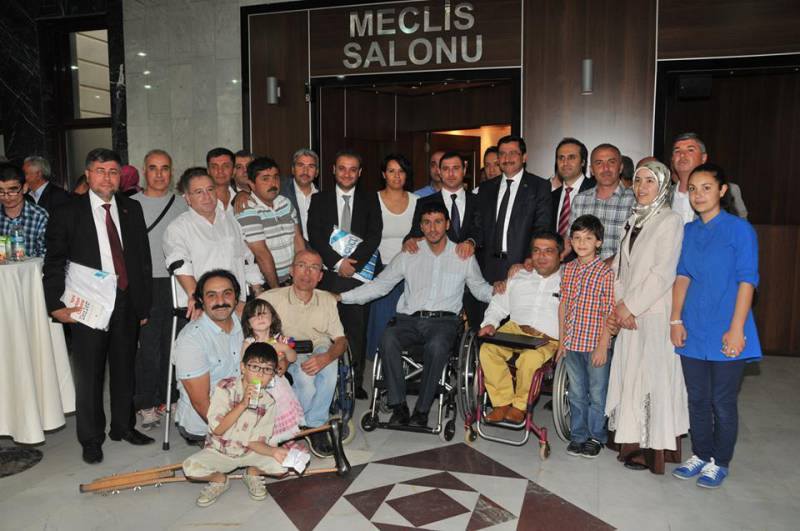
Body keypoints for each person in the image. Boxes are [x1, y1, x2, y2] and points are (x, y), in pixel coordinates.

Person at [43, 148, 154, 464]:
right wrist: (55, 305)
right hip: (87, 303)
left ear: (120, 177)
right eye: (101, 171)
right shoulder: (67, 211)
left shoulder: (131, 208)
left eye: (113, 172)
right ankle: (91, 439)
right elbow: (54, 262)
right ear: (88, 174)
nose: (107, 178)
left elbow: (142, 259)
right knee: (89, 374)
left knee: (124, 368)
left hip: (125, 300)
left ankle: (124, 427)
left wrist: (143, 306)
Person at [338, 203, 494, 428]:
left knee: (437, 346)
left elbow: (480, 289)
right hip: (408, 320)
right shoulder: (409, 254)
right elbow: (380, 285)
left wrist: (504, 292)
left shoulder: (463, 255)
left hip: (444, 322)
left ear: (447, 224)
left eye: (438, 222)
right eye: (427, 223)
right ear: (420, 226)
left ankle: (422, 410)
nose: (432, 228)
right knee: (387, 338)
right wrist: (342, 297)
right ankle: (398, 406)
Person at [670, 163, 761, 489]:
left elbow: (747, 281)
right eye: (693, 189)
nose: (698, 195)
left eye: (706, 187)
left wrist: (737, 328)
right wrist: (676, 319)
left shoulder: (740, 230)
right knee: (697, 398)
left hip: (728, 326)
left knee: (721, 402)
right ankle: (700, 453)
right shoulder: (689, 231)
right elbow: (682, 276)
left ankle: (719, 461)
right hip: (693, 326)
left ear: (722, 191)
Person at [604, 161, 689, 474]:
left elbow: (663, 273)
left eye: (650, 181)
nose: (641, 187)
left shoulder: (670, 220)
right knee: (630, 374)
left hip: (653, 312)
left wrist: (630, 306)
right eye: (638, 180)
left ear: (663, 186)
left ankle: (653, 449)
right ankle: (630, 440)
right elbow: (619, 268)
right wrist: (620, 304)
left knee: (652, 378)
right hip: (628, 311)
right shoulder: (633, 219)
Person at [307, 149, 382, 398]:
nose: (347, 174)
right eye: (342, 168)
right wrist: (339, 263)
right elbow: (315, 235)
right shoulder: (319, 200)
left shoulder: (370, 199)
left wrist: (353, 265)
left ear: (360, 173)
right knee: (326, 330)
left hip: (359, 277)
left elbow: (374, 236)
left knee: (356, 330)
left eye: (352, 169)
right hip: (329, 275)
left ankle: (355, 381)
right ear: (333, 170)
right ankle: (328, 379)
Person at [258, 249, 348, 455]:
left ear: (320, 276)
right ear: (291, 270)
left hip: (319, 346)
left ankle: (315, 424)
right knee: (306, 381)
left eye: (314, 268)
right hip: (286, 350)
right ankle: (297, 423)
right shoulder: (271, 299)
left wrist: (326, 357)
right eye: (301, 265)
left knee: (330, 365)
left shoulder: (327, 300)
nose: (307, 272)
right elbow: (250, 322)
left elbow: (341, 340)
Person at [182, 342, 287, 508]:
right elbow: (218, 429)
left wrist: (274, 451)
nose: (260, 374)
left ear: (273, 375)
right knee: (189, 468)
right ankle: (219, 480)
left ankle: (252, 472)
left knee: (283, 465)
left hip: (249, 453)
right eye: (255, 367)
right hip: (220, 452)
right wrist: (243, 404)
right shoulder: (225, 388)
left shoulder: (268, 402)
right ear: (243, 367)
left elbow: (255, 442)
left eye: (267, 369)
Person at [478, 230, 562, 424]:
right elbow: (499, 305)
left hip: (547, 337)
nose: (541, 256)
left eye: (548, 251)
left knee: (529, 359)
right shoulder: (518, 275)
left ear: (560, 255)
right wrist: (489, 323)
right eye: (536, 251)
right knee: (487, 350)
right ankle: (501, 403)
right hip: (514, 329)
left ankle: (519, 407)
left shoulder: (569, 280)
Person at [131, 149, 188, 429]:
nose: (159, 174)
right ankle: (146, 403)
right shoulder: (130, 204)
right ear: (144, 171)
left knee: (175, 344)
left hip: (177, 281)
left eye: (164, 168)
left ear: (171, 172)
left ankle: (171, 397)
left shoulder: (183, 204)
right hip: (145, 283)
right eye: (153, 168)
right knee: (148, 347)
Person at [163, 167, 263, 319]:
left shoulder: (231, 221)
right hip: (202, 305)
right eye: (199, 192)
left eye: (210, 190)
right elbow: (180, 264)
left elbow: (246, 258)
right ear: (187, 198)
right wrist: (199, 299)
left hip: (236, 303)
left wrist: (258, 291)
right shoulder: (177, 228)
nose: (207, 196)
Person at [403, 151, 482, 329]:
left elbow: (482, 231)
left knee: (475, 330)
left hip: (472, 276)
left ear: (464, 170)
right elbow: (415, 232)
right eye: (446, 169)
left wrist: (471, 242)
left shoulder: (478, 201)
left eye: (456, 168)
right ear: (439, 171)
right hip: (439, 282)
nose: (451, 173)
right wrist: (409, 240)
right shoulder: (424, 202)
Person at [557, 214, 614, 459]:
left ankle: (595, 436)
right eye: (577, 238)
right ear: (570, 241)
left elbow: (609, 312)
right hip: (572, 343)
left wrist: (603, 345)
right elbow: (563, 305)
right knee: (576, 393)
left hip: (594, 345)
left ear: (598, 242)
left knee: (597, 393)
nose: (582, 243)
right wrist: (562, 341)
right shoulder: (568, 269)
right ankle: (578, 435)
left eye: (588, 238)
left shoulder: (605, 273)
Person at [173, 269, 244, 446]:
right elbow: (200, 402)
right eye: (211, 295)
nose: (220, 301)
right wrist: (234, 434)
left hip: (243, 410)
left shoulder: (246, 322)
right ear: (201, 301)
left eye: (227, 293)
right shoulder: (191, 340)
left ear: (236, 298)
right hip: (206, 423)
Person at [472, 135, 553, 284]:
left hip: (523, 266)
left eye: (512, 153)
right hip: (488, 267)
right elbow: (478, 225)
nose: (507, 158)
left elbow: (542, 228)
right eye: (502, 154)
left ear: (524, 157)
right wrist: (470, 242)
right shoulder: (486, 188)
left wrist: (530, 258)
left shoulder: (539, 187)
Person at [366, 154, 418, 362]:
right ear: (383, 174)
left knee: (407, 323)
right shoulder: (371, 200)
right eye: (391, 171)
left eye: (401, 171)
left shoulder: (417, 201)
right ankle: (379, 365)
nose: (397, 176)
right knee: (382, 321)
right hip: (382, 271)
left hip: (411, 271)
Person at [240, 298, 305, 445]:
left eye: (264, 313)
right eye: (255, 315)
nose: (260, 317)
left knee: (282, 410)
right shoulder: (249, 343)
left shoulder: (279, 340)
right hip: (258, 385)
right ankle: (267, 443)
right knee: (263, 415)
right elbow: (244, 367)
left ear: (272, 317)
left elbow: (293, 358)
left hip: (278, 385)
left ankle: (284, 439)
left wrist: (285, 349)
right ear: (248, 323)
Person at [236, 157, 305, 289]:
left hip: (292, 280)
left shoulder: (285, 203)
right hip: (266, 284)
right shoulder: (247, 209)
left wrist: (301, 276)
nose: (273, 183)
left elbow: (298, 240)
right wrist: (275, 289)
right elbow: (261, 253)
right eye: (265, 179)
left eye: (276, 177)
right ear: (252, 184)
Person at [568, 143, 635, 261]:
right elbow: (572, 239)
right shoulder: (580, 200)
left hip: (621, 271)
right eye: (599, 163)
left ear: (620, 168)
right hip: (586, 270)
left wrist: (609, 264)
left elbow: (638, 245)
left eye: (611, 162)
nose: (605, 168)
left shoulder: (635, 201)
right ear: (591, 170)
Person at [670, 132, 747, 222]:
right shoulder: (664, 194)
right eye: (677, 151)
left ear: (703, 158)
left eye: (690, 150)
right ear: (672, 159)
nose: (682, 155)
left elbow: (739, 226)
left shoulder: (727, 190)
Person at [0, 163, 49, 257]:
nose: (6, 197)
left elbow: (45, 256)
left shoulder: (39, 216)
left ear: (25, 188)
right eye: (1, 191)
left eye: (12, 191)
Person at [551, 138, 595, 240]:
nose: (565, 162)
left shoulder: (596, 191)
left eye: (571, 157)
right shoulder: (550, 196)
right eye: (561, 158)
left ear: (583, 162)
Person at [280, 148, 319, 242]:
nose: (305, 171)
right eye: (300, 165)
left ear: (317, 172)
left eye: (311, 166)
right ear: (293, 169)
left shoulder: (323, 198)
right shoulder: (280, 192)